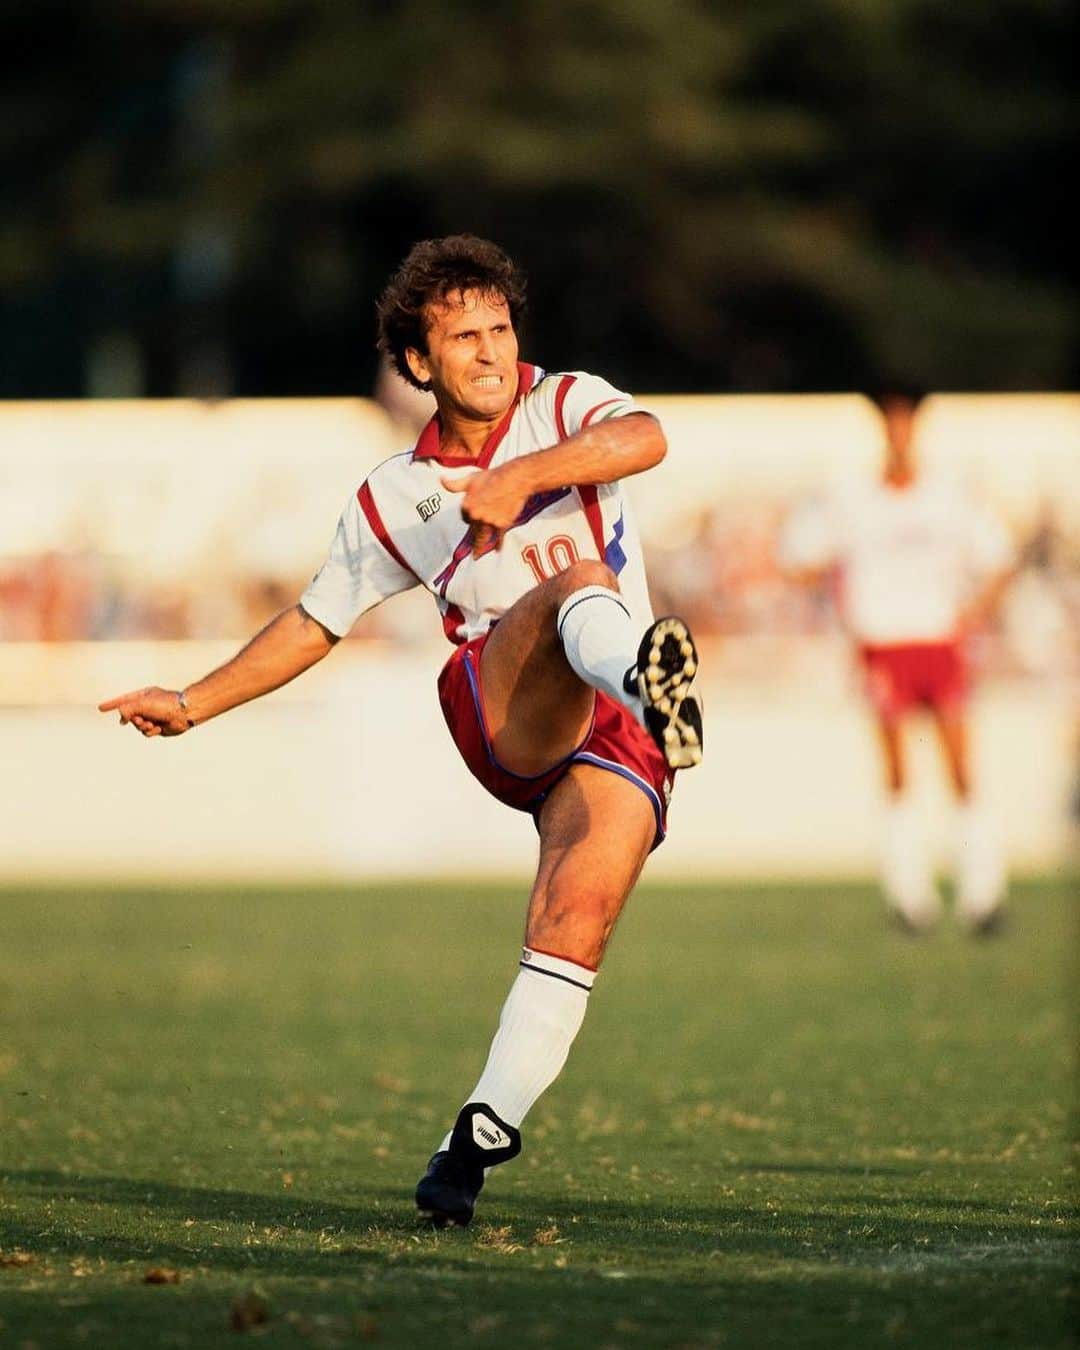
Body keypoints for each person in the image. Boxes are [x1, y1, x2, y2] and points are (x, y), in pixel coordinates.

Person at [99, 234, 703, 1226]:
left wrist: (527, 475)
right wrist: (194, 700)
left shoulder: (564, 405)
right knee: (581, 586)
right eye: (462, 336)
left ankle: (471, 1142)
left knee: (574, 922)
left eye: (500, 328)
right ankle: (648, 677)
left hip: (613, 736)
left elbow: (645, 436)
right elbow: (312, 622)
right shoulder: (394, 495)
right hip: (502, 706)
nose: (491, 351)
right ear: (417, 364)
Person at [780, 384, 1014, 934]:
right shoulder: (853, 496)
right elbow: (798, 556)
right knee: (898, 773)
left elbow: (999, 557)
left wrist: (975, 610)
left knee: (960, 768)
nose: (899, 435)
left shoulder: (948, 493)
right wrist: (834, 592)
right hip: (883, 644)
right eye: (892, 424)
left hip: (939, 640)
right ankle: (911, 896)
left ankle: (983, 893)